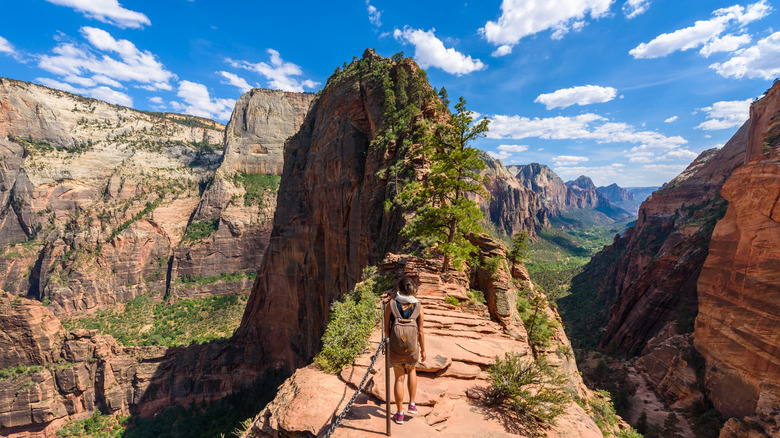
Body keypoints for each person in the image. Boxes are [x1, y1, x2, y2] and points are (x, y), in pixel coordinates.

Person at [384, 277, 426, 425]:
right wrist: (423, 351)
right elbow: (420, 331)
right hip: (412, 348)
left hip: (395, 348)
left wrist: (388, 345)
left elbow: (386, 330)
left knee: (398, 378)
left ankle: (400, 414)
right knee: (412, 370)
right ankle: (412, 404)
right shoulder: (418, 306)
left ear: (399, 289)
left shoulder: (391, 304)